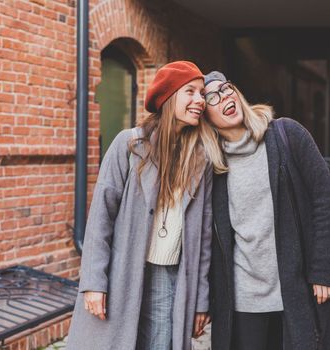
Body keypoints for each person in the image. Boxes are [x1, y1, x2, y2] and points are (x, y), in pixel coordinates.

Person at [67, 61, 213, 350]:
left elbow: (204, 237)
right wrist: (94, 281)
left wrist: (201, 299)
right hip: (123, 273)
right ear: (169, 97)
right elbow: (100, 217)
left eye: (202, 94)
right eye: (191, 92)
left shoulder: (201, 159)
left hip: (172, 277)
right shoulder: (130, 145)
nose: (200, 100)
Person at [203, 71, 330, 350]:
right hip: (242, 300)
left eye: (227, 88)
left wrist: (324, 270)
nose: (224, 97)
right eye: (212, 98)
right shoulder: (210, 166)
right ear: (206, 119)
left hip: (296, 290)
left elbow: (325, 201)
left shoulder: (286, 134)